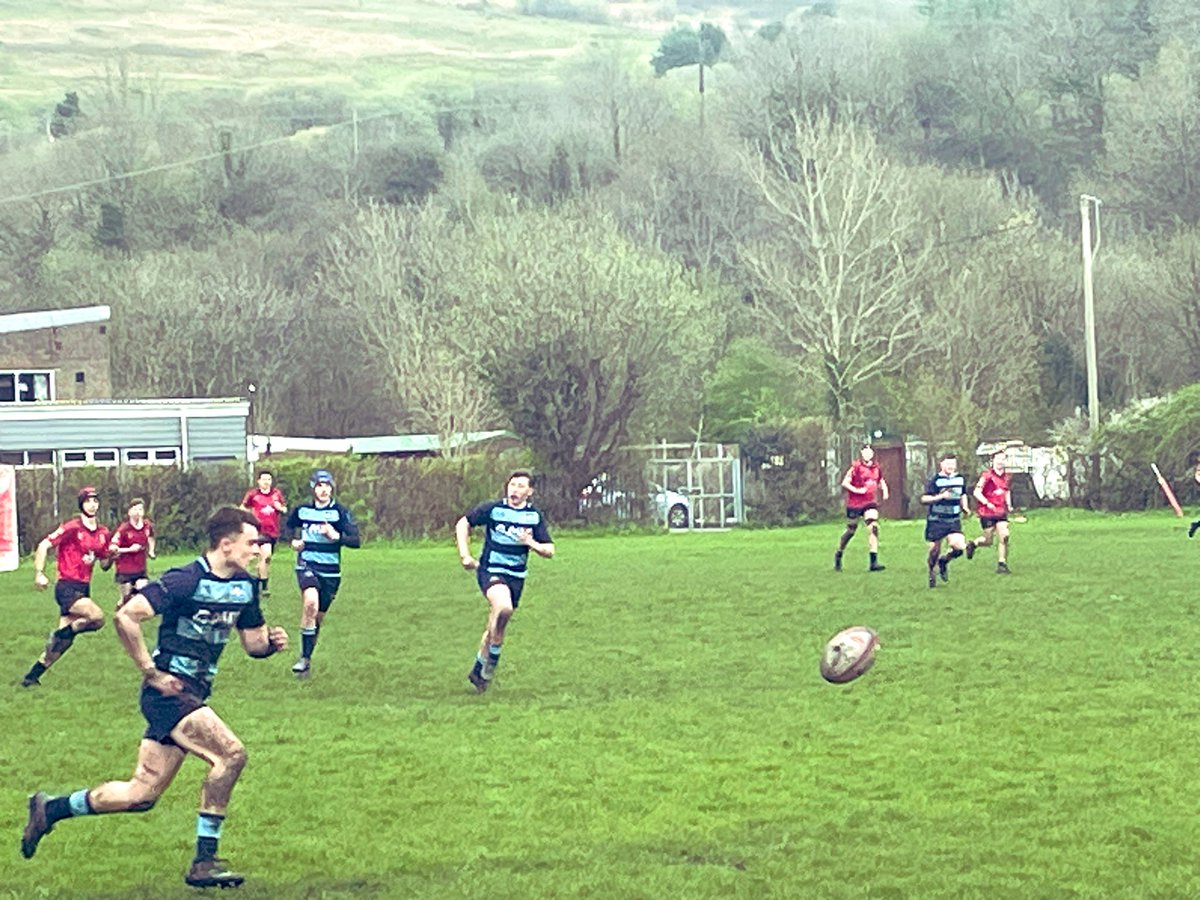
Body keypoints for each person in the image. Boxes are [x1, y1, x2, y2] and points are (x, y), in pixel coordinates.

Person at [20, 506, 288, 889]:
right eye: (251, 543)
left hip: (193, 693)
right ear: (226, 544)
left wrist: (272, 645)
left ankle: (51, 809)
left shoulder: (245, 587)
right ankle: (204, 861)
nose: (258, 550)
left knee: (141, 794)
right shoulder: (185, 579)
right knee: (231, 754)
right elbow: (127, 616)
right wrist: (151, 671)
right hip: (168, 693)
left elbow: (254, 644)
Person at [456, 470, 555, 693]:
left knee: (496, 624)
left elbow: (550, 550)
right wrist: (465, 555)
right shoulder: (493, 510)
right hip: (491, 569)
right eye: (512, 485)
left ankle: (480, 670)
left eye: (521, 486)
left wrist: (532, 543)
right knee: (503, 607)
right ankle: (491, 661)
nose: (515, 490)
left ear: (529, 492)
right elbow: (463, 523)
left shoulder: (534, 517)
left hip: (516, 576)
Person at [21, 486, 113, 688]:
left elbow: (105, 565)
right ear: (81, 504)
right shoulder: (72, 527)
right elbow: (44, 544)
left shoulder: (103, 532)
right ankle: (63, 632)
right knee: (97, 618)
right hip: (67, 586)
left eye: (95, 501)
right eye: (88, 501)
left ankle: (31, 677)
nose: (92, 504)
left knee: (62, 644)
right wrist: (39, 573)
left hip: (84, 586)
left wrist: (112, 556)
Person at [285, 469, 360, 679]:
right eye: (319, 485)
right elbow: (288, 527)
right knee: (310, 603)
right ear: (313, 488)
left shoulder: (340, 512)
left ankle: (307, 657)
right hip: (307, 564)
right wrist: (293, 541)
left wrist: (336, 536)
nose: (324, 490)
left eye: (327, 485)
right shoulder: (302, 510)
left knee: (317, 618)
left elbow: (356, 540)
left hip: (331, 572)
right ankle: (304, 659)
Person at [834, 444, 889, 572]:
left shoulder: (876, 468)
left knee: (873, 527)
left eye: (870, 452)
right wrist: (857, 490)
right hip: (854, 503)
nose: (868, 454)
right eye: (865, 452)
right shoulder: (856, 467)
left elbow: (880, 480)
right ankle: (839, 553)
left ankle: (873, 562)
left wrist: (885, 490)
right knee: (850, 531)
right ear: (861, 453)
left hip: (869, 502)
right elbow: (845, 483)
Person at [920, 454, 970, 589]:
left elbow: (963, 493)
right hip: (936, 520)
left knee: (959, 547)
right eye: (948, 464)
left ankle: (944, 561)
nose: (951, 467)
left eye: (953, 464)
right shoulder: (935, 480)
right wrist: (940, 496)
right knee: (933, 550)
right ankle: (931, 572)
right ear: (941, 465)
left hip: (953, 519)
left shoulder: (960, 479)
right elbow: (924, 499)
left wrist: (964, 507)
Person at [241, 470, 286, 597]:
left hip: (272, 532)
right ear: (259, 481)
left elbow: (284, 509)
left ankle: (261, 584)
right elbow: (242, 508)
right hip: (257, 531)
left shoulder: (276, 494)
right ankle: (260, 586)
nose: (267, 482)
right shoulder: (253, 494)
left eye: (269, 479)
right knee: (261, 556)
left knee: (266, 558)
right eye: (264, 479)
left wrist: (280, 508)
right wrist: (249, 518)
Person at [967, 449, 1013, 574]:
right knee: (988, 540)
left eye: (1003, 459)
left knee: (1004, 535)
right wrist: (988, 503)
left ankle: (1002, 563)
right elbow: (977, 492)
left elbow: (1007, 490)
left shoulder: (1007, 476)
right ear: (992, 461)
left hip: (1001, 512)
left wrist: (1009, 504)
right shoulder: (986, 476)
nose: (1000, 462)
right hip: (987, 513)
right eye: (998, 459)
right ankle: (974, 544)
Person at [110, 497, 156, 607]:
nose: (138, 513)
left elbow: (151, 537)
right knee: (126, 599)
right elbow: (112, 548)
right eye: (135, 509)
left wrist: (151, 551)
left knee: (142, 591)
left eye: (140, 509)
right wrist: (129, 549)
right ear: (129, 512)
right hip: (125, 569)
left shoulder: (147, 526)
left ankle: (132, 617)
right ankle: (120, 606)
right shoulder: (124, 529)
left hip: (140, 568)